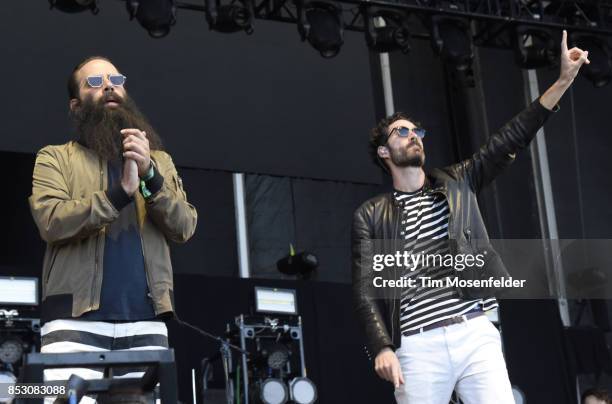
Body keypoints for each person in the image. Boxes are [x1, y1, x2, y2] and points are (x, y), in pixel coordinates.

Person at [352, 30, 589, 403]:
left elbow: (511, 138)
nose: (414, 136)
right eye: (403, 132)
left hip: (473, 329)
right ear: (384, 151)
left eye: (418, 131)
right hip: (417, 342)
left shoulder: (458, 181)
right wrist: (381, 346)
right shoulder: (371, 214)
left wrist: (562, 81)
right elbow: (366, 288)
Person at [29, 56, 197, 402]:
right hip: (74, 319)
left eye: (116, 79)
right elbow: (51, 220)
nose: (108, 86)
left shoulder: (159, 160)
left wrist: (150, 176)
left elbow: (184, 226)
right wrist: (119, 193)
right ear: (76, 106)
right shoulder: (55, 158)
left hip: (146, 319)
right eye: (94, 82)